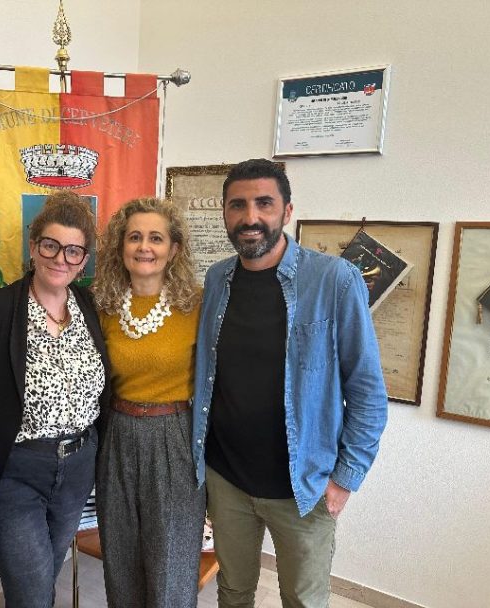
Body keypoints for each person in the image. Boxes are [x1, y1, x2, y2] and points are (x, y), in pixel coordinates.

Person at [191, 159, 388, 607]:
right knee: (233, 591)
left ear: (287, 211)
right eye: (238, 205)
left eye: (264, 203)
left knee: (303, 599)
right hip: (227, 478)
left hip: (304, 485)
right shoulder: (218, 279)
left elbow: (368, 393)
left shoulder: (334, 279)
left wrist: (345, 478)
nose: (251, 217)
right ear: (224, 213)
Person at [0, 190, 110, 607]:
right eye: (50, 245)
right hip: (15, 470)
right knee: (30, 587)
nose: (60, 259)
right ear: (33, 246)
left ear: (83, 260)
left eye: (73, 250)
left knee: (47, 572)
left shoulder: (91, 307)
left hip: (78, 468)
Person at [93, 198, 206, 608]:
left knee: (171, 563)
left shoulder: (198, 304)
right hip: (117, 434)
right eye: (135, 237)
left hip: (175, 435)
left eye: (156, 238)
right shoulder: (102, 306)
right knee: (120, 558)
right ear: (120, 246)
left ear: (173, 249)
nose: (144, 247)